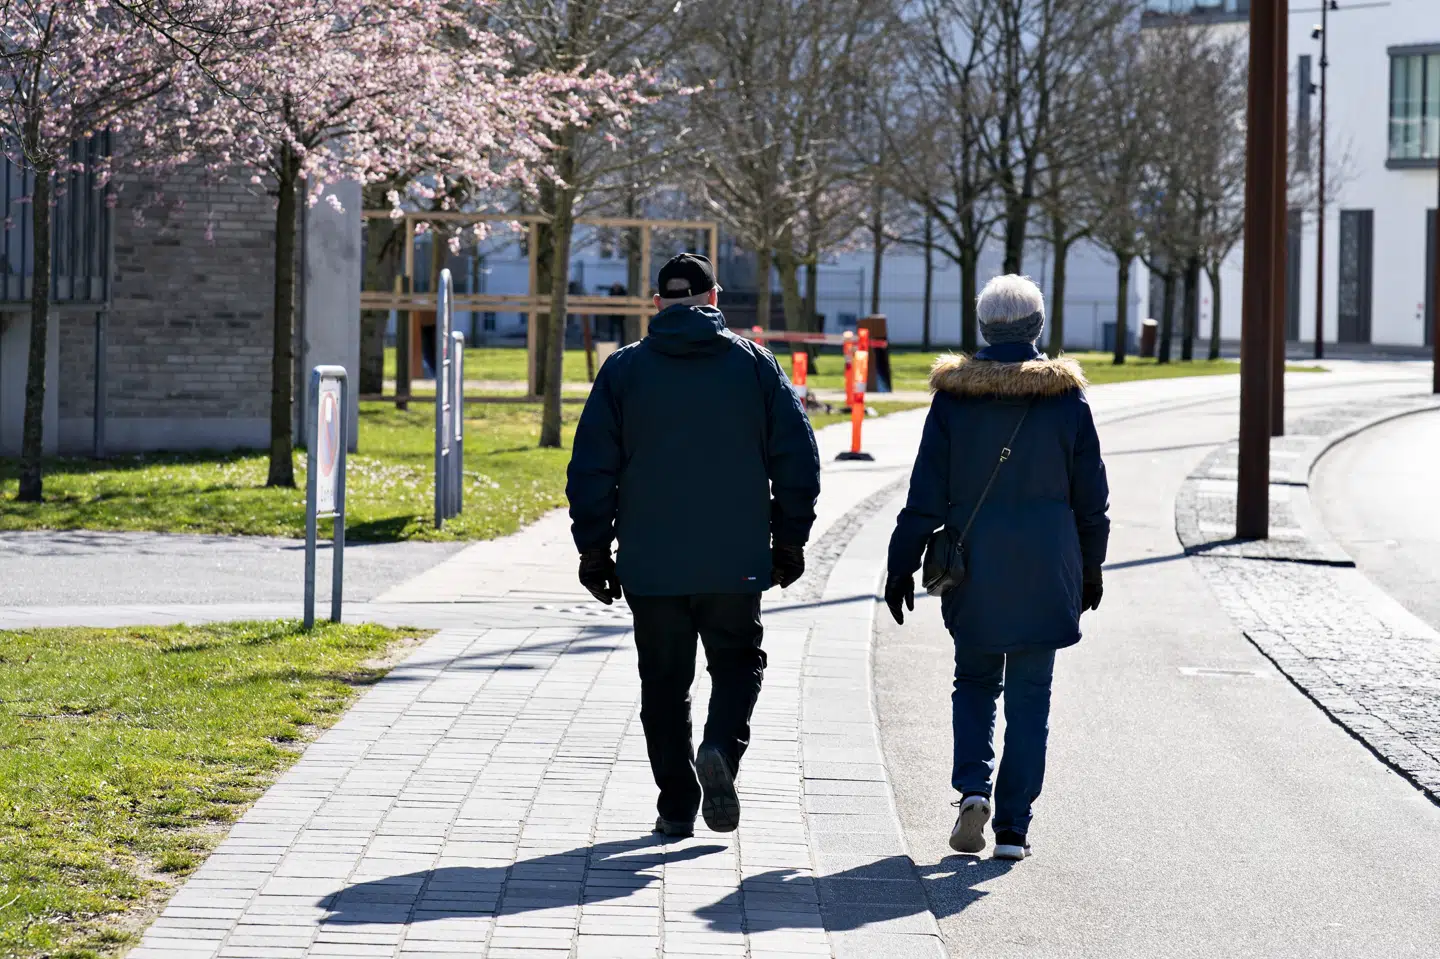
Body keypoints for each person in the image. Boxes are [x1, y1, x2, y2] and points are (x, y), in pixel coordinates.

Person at [566, 252, 822, 838]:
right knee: (737, 662)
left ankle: (676, 803)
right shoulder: (755, 366)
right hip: (735, 557)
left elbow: (591, 470)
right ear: (714, 298)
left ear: (657, 304)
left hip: (651, 562)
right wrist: (790, 538)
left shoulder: (625, 370)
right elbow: (796, 459)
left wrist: (593, 549)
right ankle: (720, 754)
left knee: (663, 682)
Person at [884, 274, 1110, 862]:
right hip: (1048, 563)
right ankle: (1013, 827)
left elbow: (925, 493)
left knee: (976, 682)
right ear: (1038, 329)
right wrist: (1092, 567)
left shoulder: (955, 399)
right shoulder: (1067, 401)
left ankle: (972, 791)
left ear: (984, 328)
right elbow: (1092, 497)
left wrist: (900, 565)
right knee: (1032, 695)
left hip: (975, 563)